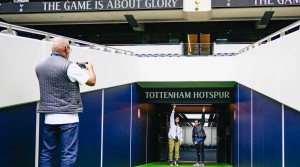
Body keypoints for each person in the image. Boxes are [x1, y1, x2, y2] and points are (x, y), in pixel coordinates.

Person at [35, 37, 96, 167]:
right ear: (66, 48)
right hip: (68, 118)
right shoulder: (70, 66)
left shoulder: (39, 66)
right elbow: (92, 81)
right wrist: (90, 68)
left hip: (49, 118)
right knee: (68, 154)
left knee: (47, 153)